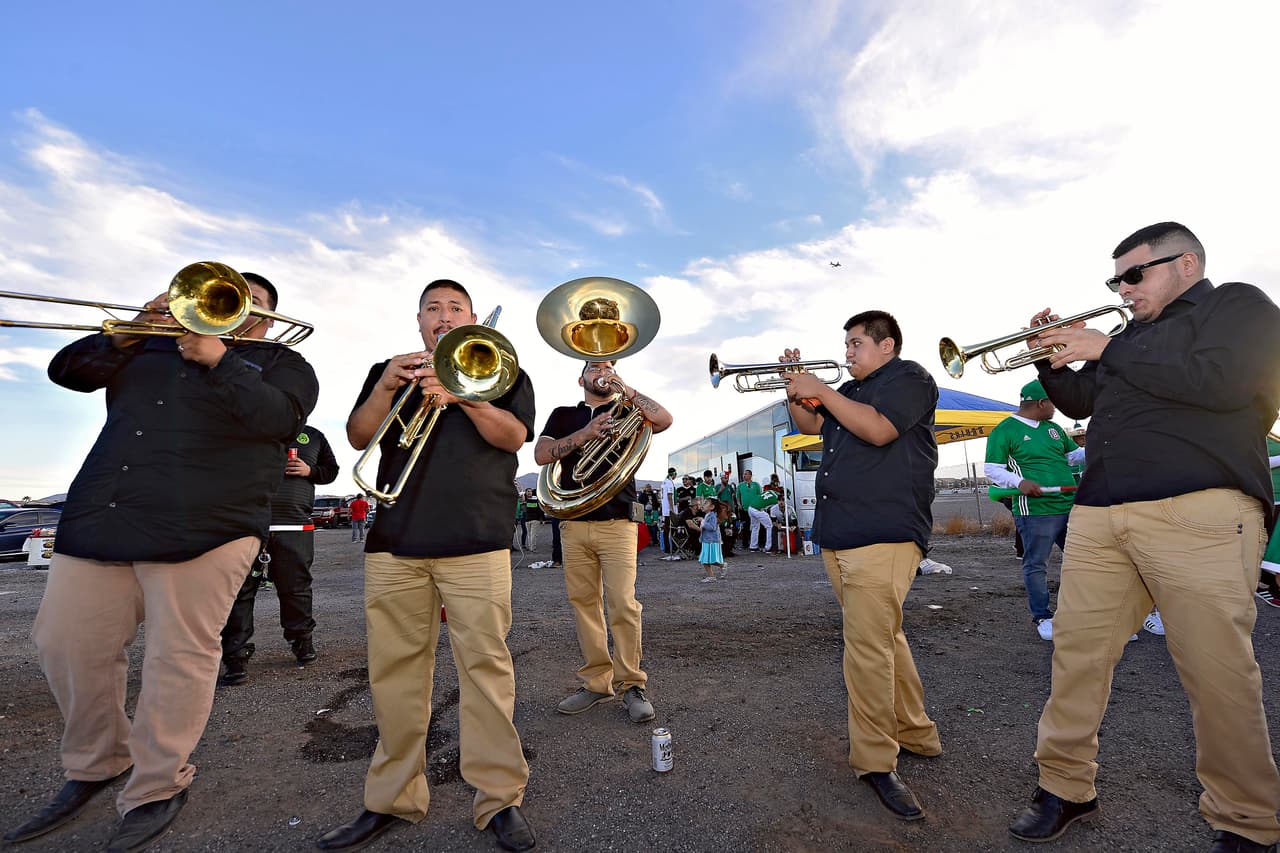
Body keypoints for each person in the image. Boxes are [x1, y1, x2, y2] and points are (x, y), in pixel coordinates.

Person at [5, 271, 318, 851]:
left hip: (209, 523)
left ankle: (156, 785)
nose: (238, 311)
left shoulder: (282, 362)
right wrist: (133, 327)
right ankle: (99, 763)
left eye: (254, 306)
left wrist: (219, 359)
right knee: (64, 643)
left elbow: (277, 420)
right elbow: (68, 371)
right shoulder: (146, 343)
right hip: (106, 512)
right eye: (229, 300)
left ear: (270, 319)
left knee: (179, 657)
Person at [1007, 222, 1280, 852]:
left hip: (1200, 508)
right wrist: (1052, 359)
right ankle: (1065, 787)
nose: (1122, 289)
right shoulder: (1130, 340)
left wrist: (1106, 348)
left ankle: (1245, 820)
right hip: (1102, 513)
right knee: (1076, 658)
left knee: (1217, 674)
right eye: (1115, 279)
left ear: (1185, 264)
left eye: (1134, 275)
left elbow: (1223, 381)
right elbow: (1080, 403)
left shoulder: (1233, 305)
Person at [317, 279, 535, 852]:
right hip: (394, 541)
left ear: (470, 319)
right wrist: (390, 383)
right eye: (433, 308)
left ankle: (499, 799)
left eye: (455, 308)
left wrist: (464, 396)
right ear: (418, 320)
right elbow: (359, 434)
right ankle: (391, 799)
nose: (443, 315)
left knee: (485, 672)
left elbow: (513, 437)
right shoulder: (392, 370)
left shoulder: (501, 366)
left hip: (475, 539)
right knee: (394, 675)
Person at [781, 308, 941, 821]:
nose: (847, 352)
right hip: (841, 533)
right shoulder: (846, 394)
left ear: (886, 346)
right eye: (846, 344)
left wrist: (821, 390)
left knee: (866, 649)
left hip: (885, 532)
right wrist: (794, 390)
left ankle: (875, 761)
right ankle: (916, 731)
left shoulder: (909, 378)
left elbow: (878, 431)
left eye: (855, 344)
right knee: (884, 637)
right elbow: (809, 423)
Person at [534, 359, 673, 724]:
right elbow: (541, 455)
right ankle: (596, 683)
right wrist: (586, 434)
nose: (603, 370)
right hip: (574, 521)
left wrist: (626, 390)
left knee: (623, 605)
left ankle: (632, 684)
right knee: (584, 605)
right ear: (581, 378)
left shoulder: (629, 408)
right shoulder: (564, 414)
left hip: (618, 522)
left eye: (609, 365)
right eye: (595, 366)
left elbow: (664, 420)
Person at [220, 423, 339, 685]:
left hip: (294, 525)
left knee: (296, 589)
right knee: (238, 592)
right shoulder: (243, 429)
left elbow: (331, 471)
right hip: (246, 526)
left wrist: (310, 471)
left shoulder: (314, 436)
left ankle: (301, 641)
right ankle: (235, 657)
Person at [983, 379, 1086, 641]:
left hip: (1068, 507)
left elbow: (1073, 456)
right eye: (1054, 402)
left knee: (1083, 562)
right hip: (1036, 512)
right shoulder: (1005, 430)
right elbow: (992, 468)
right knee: (1037, 564)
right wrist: (1020, 482)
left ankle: (1086, 613)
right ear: (1041, 403)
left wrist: (1102, 446)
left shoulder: (1053, 428)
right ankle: (1042, 616)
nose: (1057, 408)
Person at [738, 470, 772, 552]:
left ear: (750, 475)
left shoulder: (756, 485)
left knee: (757, 526)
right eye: (744, 474)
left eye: (746, 474)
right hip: (745, 509)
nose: (744, 475)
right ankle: (747, 544)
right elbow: (738, 496)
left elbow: (760, 496)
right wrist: (739, 504)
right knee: (747, 527)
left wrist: (761, 506)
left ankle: (759, 543)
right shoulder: (740, 485)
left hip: (755, 508)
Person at [698, 498, 725, 582]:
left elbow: (712, 527)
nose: (703, 504)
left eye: (705, 503)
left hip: (710, 541)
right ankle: (722, 566)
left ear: (712, 507)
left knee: (706, 560)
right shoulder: (708, 515)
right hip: (707, 540)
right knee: (707, 560)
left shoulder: (712, 515)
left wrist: (703, 522)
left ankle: (712, 576)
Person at [716, 470, 739, 557]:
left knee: (734, 529)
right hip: (722, 512)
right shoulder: (717, 486)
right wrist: (720, 491)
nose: (726, 479)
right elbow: (715, 497)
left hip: (730, 511)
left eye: (727, 478)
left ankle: (730, 548)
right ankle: (723, 550)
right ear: (721, 478)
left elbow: (734, 496)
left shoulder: (730, 487)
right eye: (725, 478)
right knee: (723, 530)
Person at [660, 467, 676, 554]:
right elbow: (670, 496)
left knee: (666, 529)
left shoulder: (664, 482)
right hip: (668, 509)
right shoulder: (669, 482)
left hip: (665, 509)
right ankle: (669, 547)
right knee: (670, 529)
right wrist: (672, 509)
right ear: (673, 474)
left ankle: (667, 547)